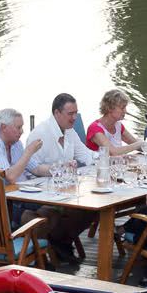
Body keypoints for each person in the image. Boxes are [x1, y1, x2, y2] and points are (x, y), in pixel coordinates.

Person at [0, 108, 82, 270]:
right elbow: (10, 176)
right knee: (46, 214)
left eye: (22, 127)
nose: (22, 132)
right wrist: (29, 151)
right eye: (18, 127)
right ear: (3, 127)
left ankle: (45, 253)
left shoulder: (14, 145)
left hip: (17, 198)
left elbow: (36, 169)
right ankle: (40, 256)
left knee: (57, 209)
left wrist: (60, 168)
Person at [24, 93, 98, 264]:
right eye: (70, 114)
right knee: (79, 207)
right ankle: (58, 243)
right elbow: (31, 167)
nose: (74, 118)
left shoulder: (70, 132)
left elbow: (87, 156)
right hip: (38, 191)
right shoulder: (40, 133)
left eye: (76, 113)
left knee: (93, 208)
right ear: (57, 113)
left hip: (64, 189)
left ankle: (61, 242)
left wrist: (110, 159)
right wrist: (59, 169)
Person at [85, 89, 145, 157]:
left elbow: (136, 144)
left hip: (115, 165)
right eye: (122, 108)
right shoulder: (95, 129)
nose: (125, 111)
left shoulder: (118, 126)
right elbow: (113, 152)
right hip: (96, 166)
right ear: (110, 108)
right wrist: (138, 144)